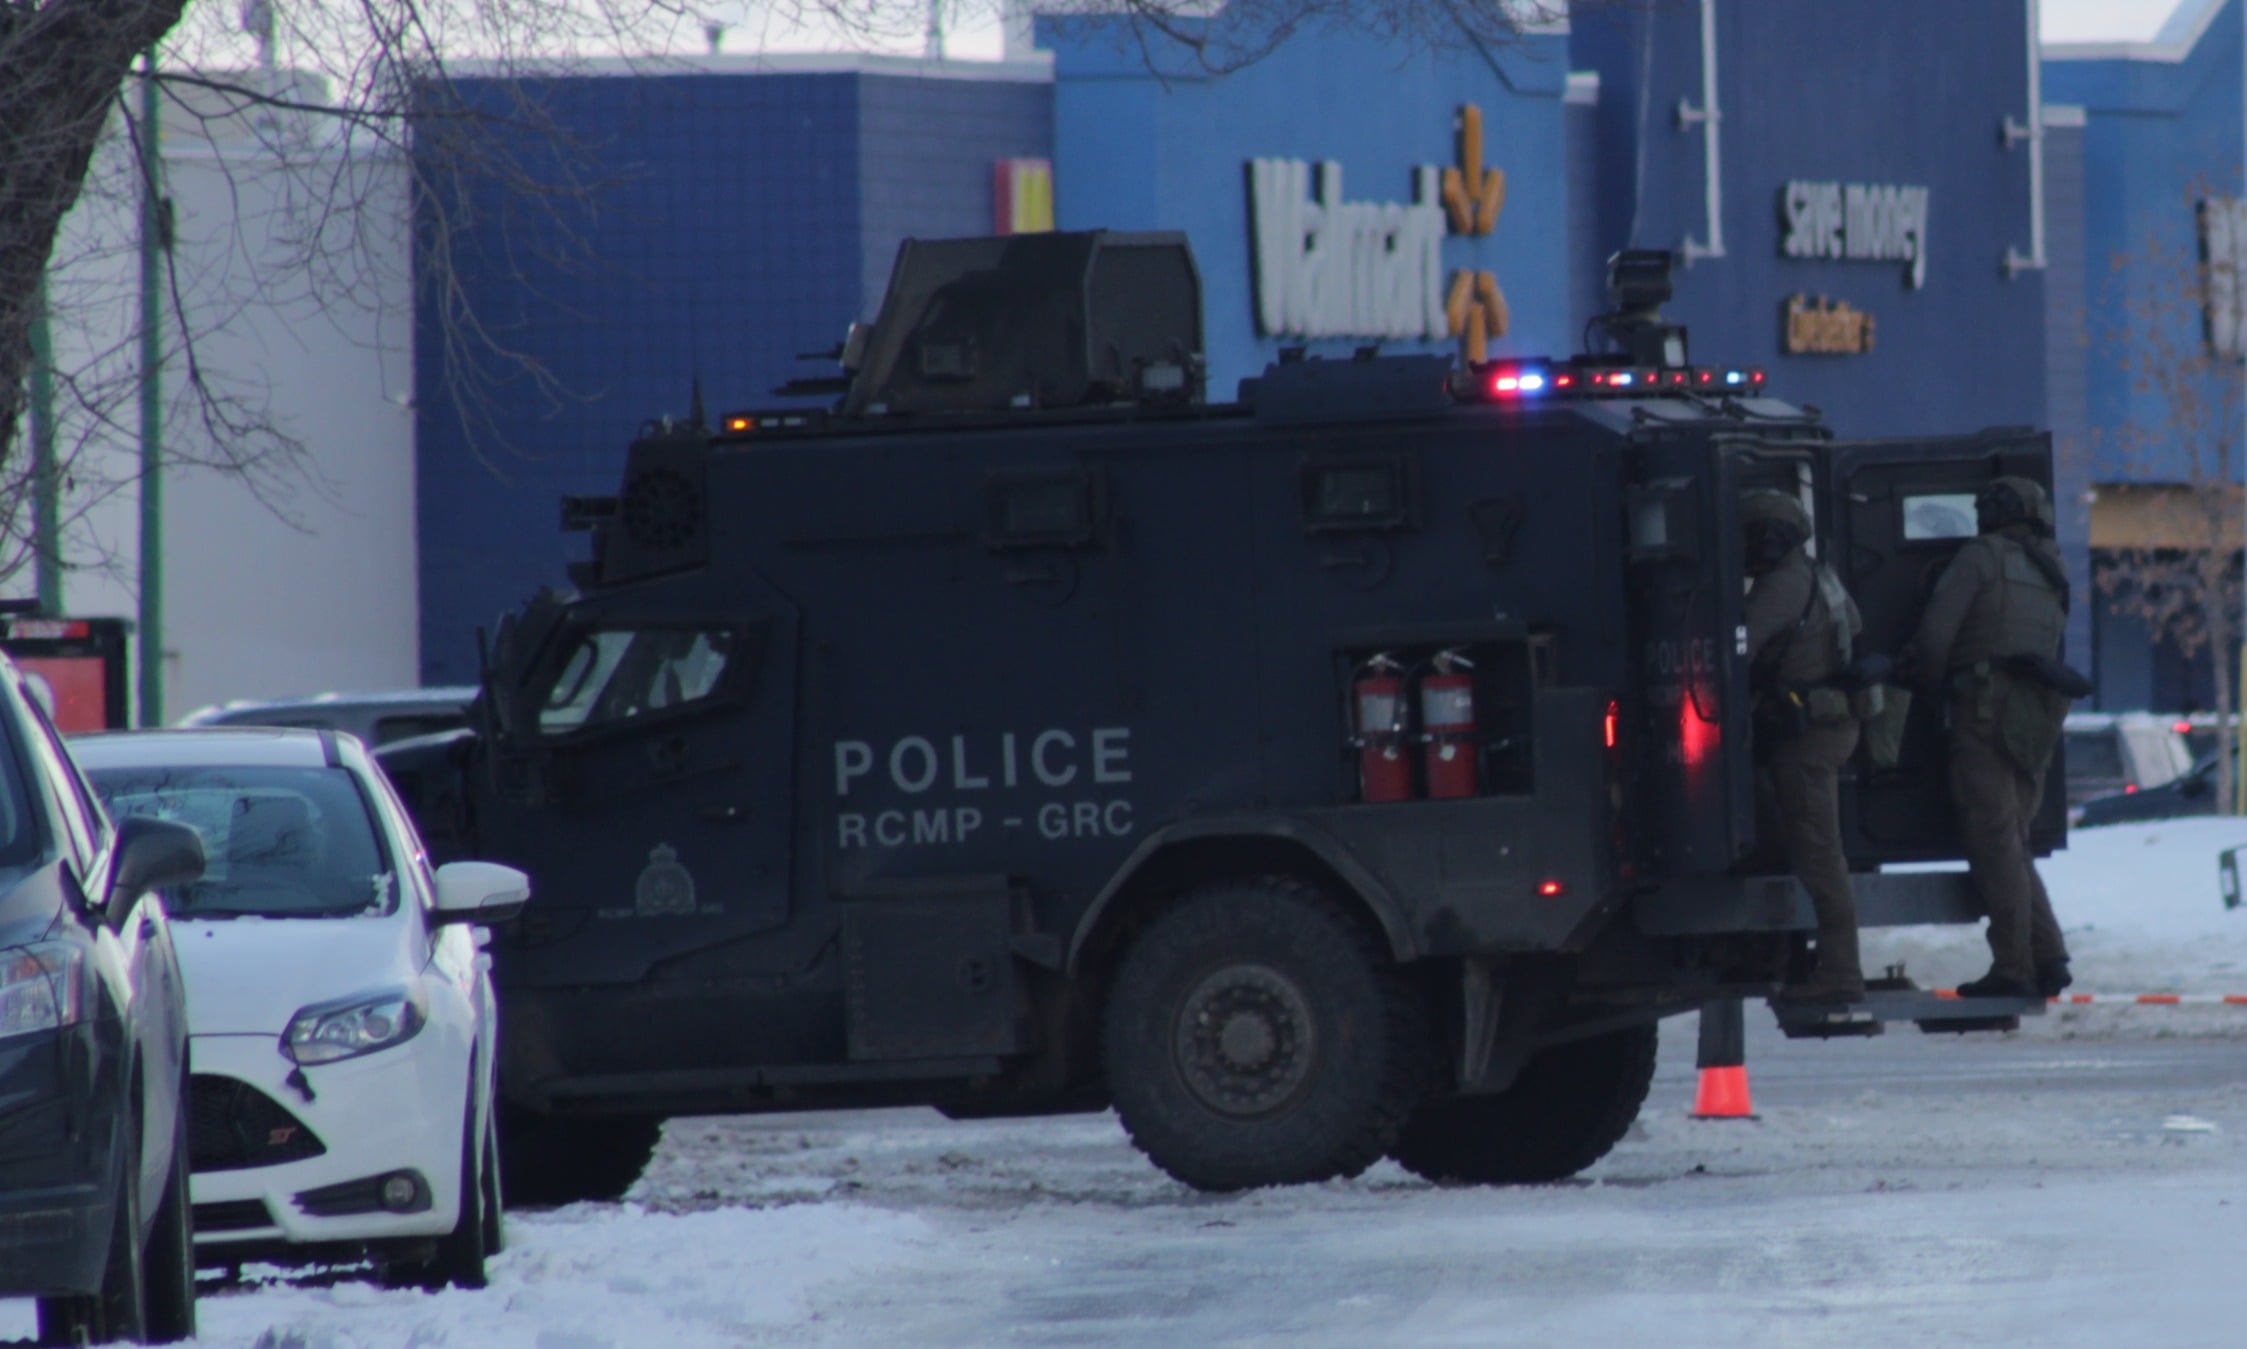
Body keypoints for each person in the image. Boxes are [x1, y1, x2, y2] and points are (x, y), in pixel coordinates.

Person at [1909, 476, 2075, 1000]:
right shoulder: (2050, 567)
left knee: (1994, 842)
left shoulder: (1980, 557)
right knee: (2012, 841)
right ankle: (2048, 955)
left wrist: (1921, 686)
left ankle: (2014, 966)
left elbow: (1934, 639)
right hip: (2036, 714)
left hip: (1983, 710)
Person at [1742, 490, 1867, 1004]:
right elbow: (1854, 628)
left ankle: (1841, 973)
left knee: (1819, 856)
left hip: (1807, 736)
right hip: (1828, 724)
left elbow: (1737, 644)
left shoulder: (1781, 586)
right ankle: (1794, 958)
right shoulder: (1820, 575)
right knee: (1803, 846)